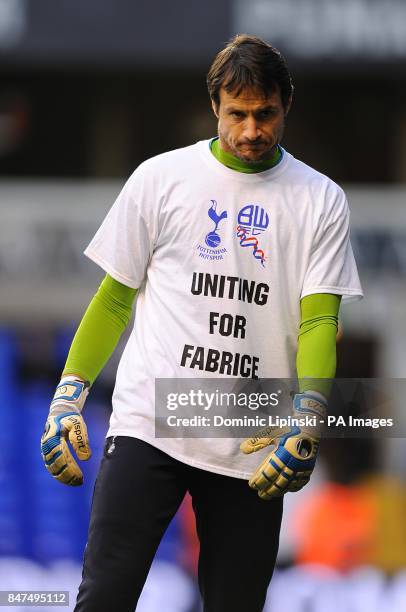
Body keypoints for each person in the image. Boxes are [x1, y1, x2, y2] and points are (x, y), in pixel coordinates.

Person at [41, 34, 363, 611]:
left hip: (251, 437)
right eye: (236, 114)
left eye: (265, 114)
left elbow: (320, 322)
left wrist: (308, 417)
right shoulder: (160, 179)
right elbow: (115, 299)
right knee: (104, 599)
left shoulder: (321, 200)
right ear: (215, 105)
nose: (250, 131)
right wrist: (69, 395)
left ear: (286, 105)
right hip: (149, 422)